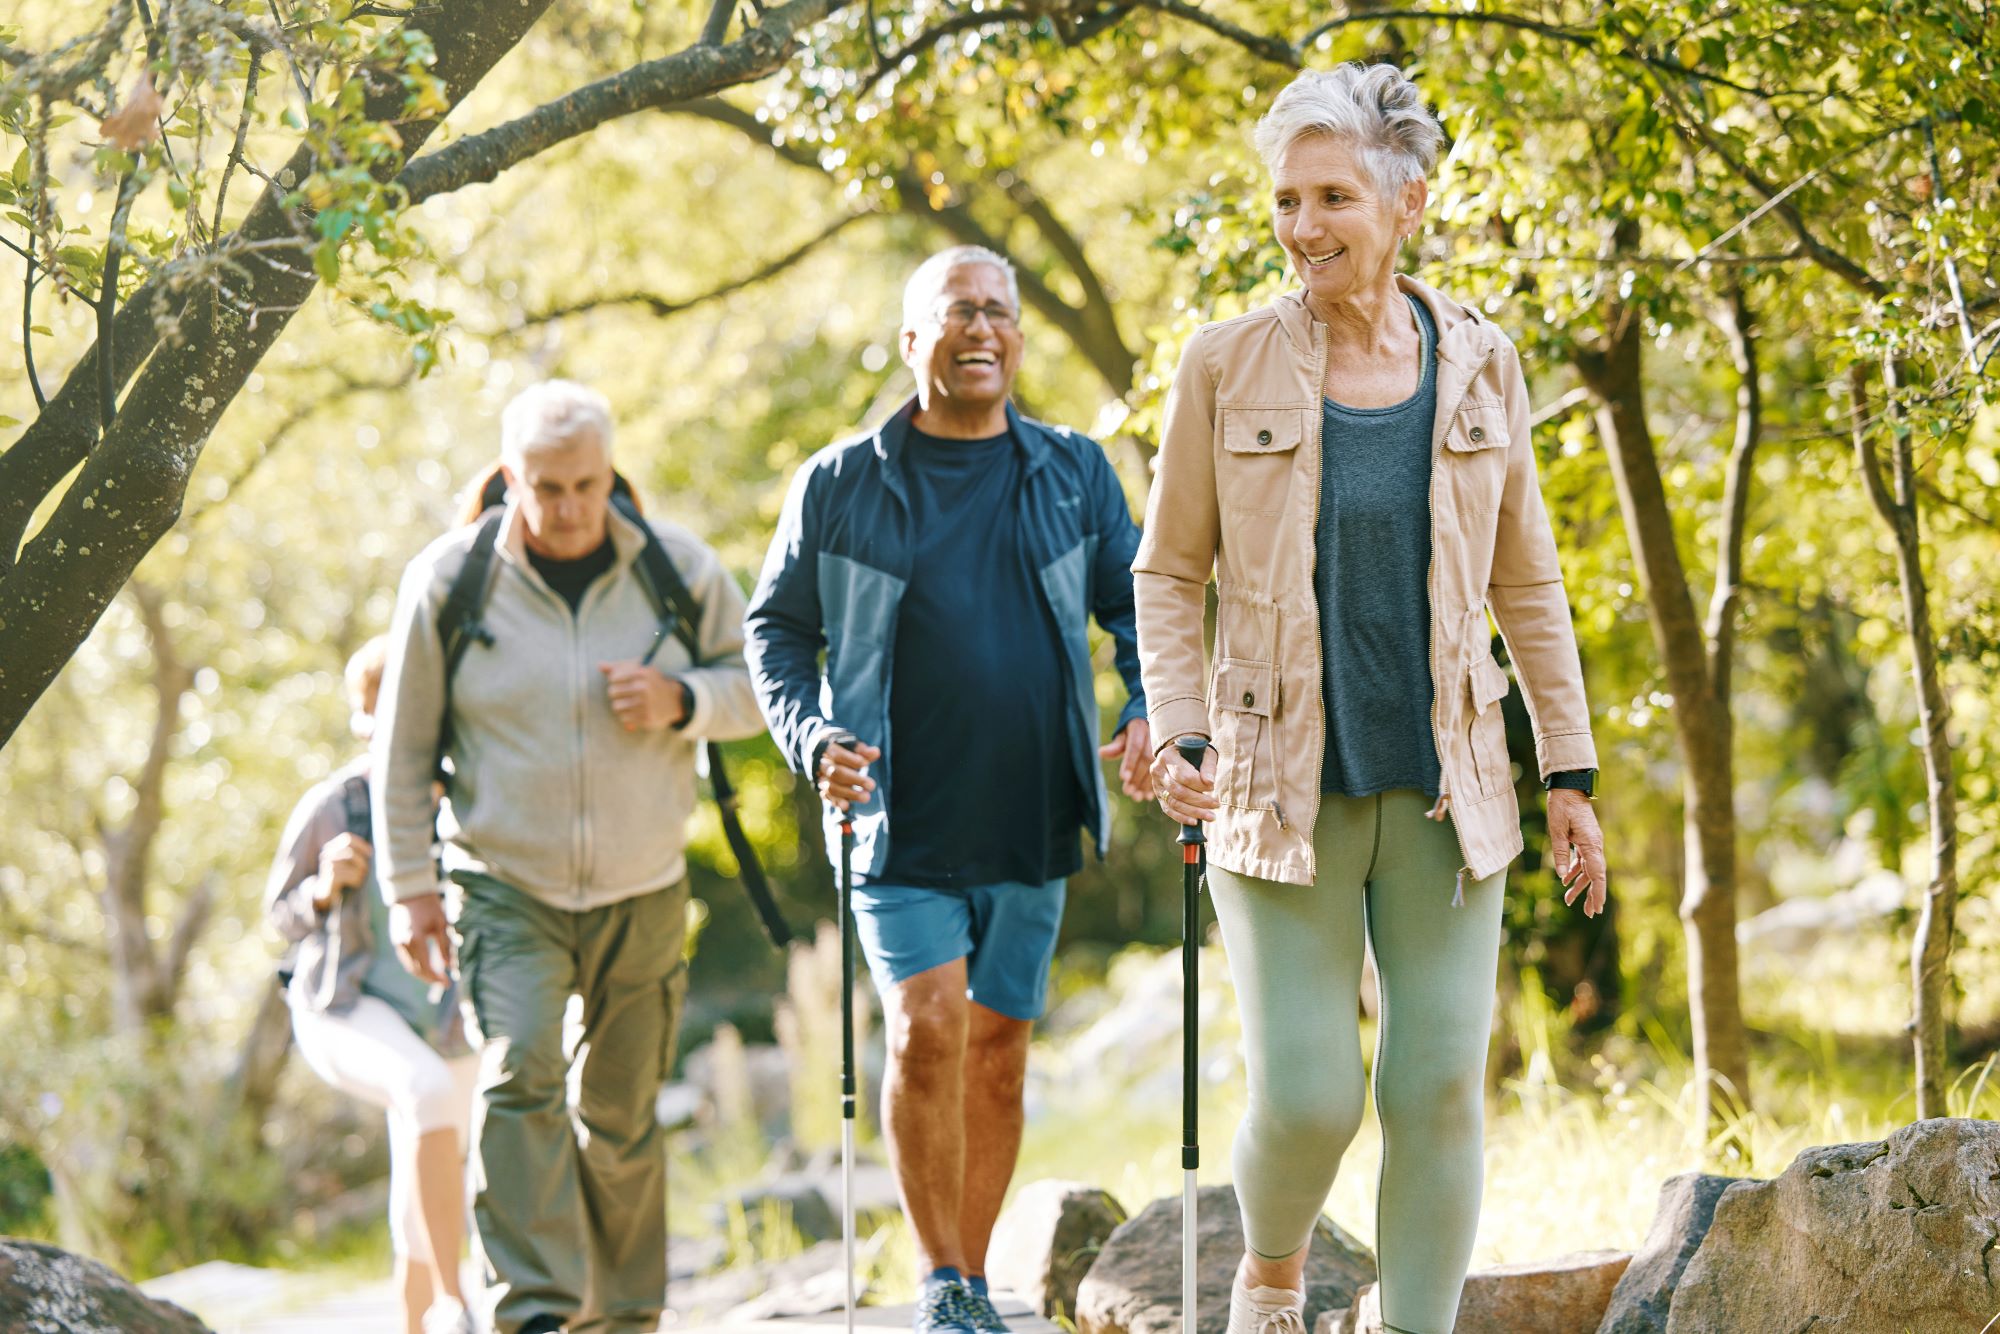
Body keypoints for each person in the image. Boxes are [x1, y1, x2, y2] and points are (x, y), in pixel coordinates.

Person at [1134, 65, 1612, 1334]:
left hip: (1448, 778)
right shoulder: (1222, 364)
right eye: (1285, 200)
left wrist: (1566, 772)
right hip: (1271, 778)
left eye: (1331, 195)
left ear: (1403, 202)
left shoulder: (1480, 365)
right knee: (1308, 1096)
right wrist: (1178, 724)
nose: (1302, 227)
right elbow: (1168, 570)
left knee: (1435, 1084)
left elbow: (1528, 578)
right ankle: (1273, 1269)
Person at [745, 245, 1152, 1334]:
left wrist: (1148, 705)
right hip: (892, 818)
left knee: (1001, 1051)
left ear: (1017, 338)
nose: (982, 330)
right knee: (928, 1025)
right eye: (958, 311)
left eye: (999, 314)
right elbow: (774, 629)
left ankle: (974, 1276)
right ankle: (942, 1283)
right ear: (912, 337)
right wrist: (808, 731)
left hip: (1033, 810)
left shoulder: (1071, 468)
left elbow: (1139, 605)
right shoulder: (840, 480)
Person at [371, 380, 766, 1334]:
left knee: (624, 1115)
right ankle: (540, 1313)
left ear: (610, 470)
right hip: (504, 883)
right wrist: (409, 892)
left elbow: (759, 687)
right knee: (520, 1078)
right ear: (512, 478)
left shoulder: (677, 570)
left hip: (644, 883)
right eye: (546, 488)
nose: (568, 508)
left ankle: (628, 1315)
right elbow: (402, 750)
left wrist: (683, 702)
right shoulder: (449, 582)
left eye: (586, 484)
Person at [266, 636, 478, 1334]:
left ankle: (419, 1322)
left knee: (430, 1163)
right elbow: (279, 916)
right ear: (363, 721)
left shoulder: (466, 797)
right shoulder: (335, 804)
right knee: (426, 1093)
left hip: (446, 1016)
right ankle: (458, 1308)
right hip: (345, 1009)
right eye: (381, 711)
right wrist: (324, 889)